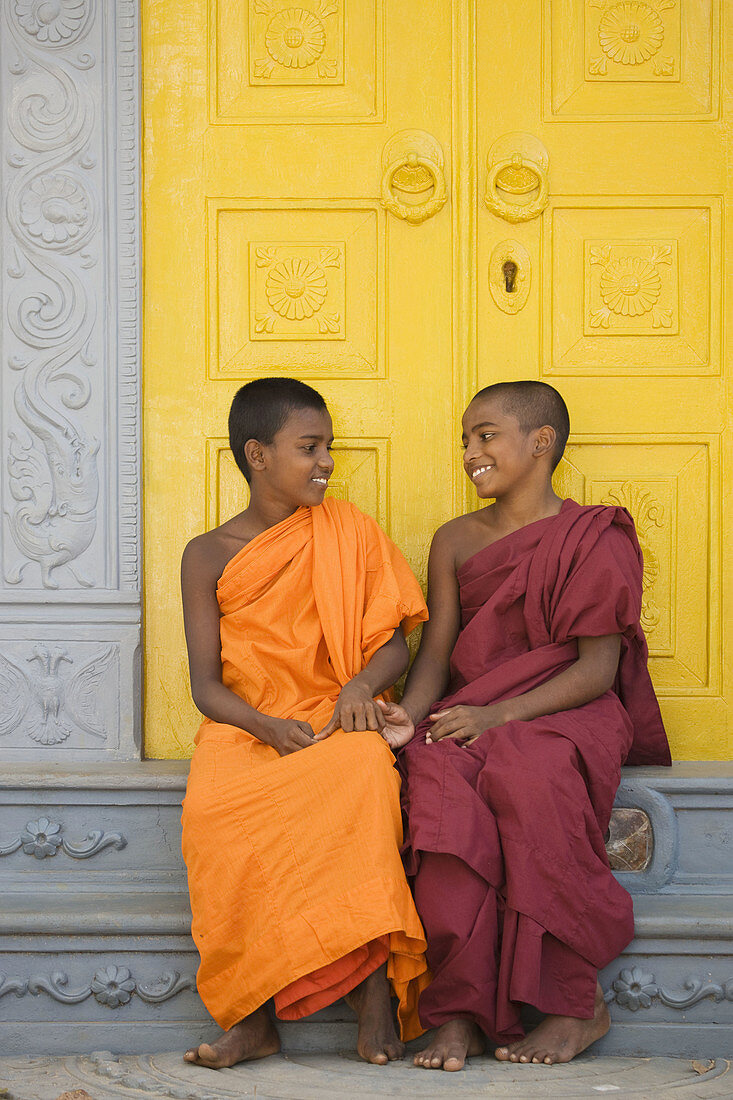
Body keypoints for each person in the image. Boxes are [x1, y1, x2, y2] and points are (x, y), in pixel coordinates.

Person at [376, 380, 671, 1072]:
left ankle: (575, 1004)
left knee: (526, 776)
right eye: (463, 441)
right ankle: (460, 1015)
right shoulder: (454, 540)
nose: (469, 452)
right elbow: (437, 653)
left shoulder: (591, 535)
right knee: (437, 783)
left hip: (565, 712)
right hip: (472, 709)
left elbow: (597, 670)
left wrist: (495, 716)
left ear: (540, 443)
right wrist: (408, 719)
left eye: (485, 435)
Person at [179, 377, 430, 1070]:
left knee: (361, 775)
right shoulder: (208, 553)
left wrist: (357, 686)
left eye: (329, 448)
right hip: (246, 729)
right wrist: (261, 725)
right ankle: (251, 1017)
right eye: (308, 447)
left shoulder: (348, 530)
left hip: (330, 719)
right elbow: (205, 686)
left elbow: (394, 642)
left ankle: (376, 998)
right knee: (215, 817)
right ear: (258, 454)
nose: (325, 462)